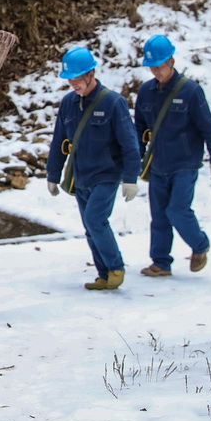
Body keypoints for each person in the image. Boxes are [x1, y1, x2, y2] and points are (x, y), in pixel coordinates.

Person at [46, 47, 141, 291]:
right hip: (81, 176)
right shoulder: (68, 104)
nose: (73, 84)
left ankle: (116, 267)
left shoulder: (113, 102)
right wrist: (52, 175)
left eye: (77, 79)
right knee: (90, 227)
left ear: (91, 74)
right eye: (70, 80)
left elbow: (129, 143)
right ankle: (104, 274)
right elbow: (59, 141)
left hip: (107, 174)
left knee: (95, 219)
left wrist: (131, 178)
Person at [134, 35, 211, 277]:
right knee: (159, 216)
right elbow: (139, 129)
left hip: (185, 163)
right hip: (158, 164)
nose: (156, 71)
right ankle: (161, 262)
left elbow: (207, 126)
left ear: (171, 61)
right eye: (152, 67)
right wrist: (135, 158)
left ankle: (200, 245)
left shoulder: (190, 91)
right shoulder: (146, 92)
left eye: (159, 66)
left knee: (177, 210)